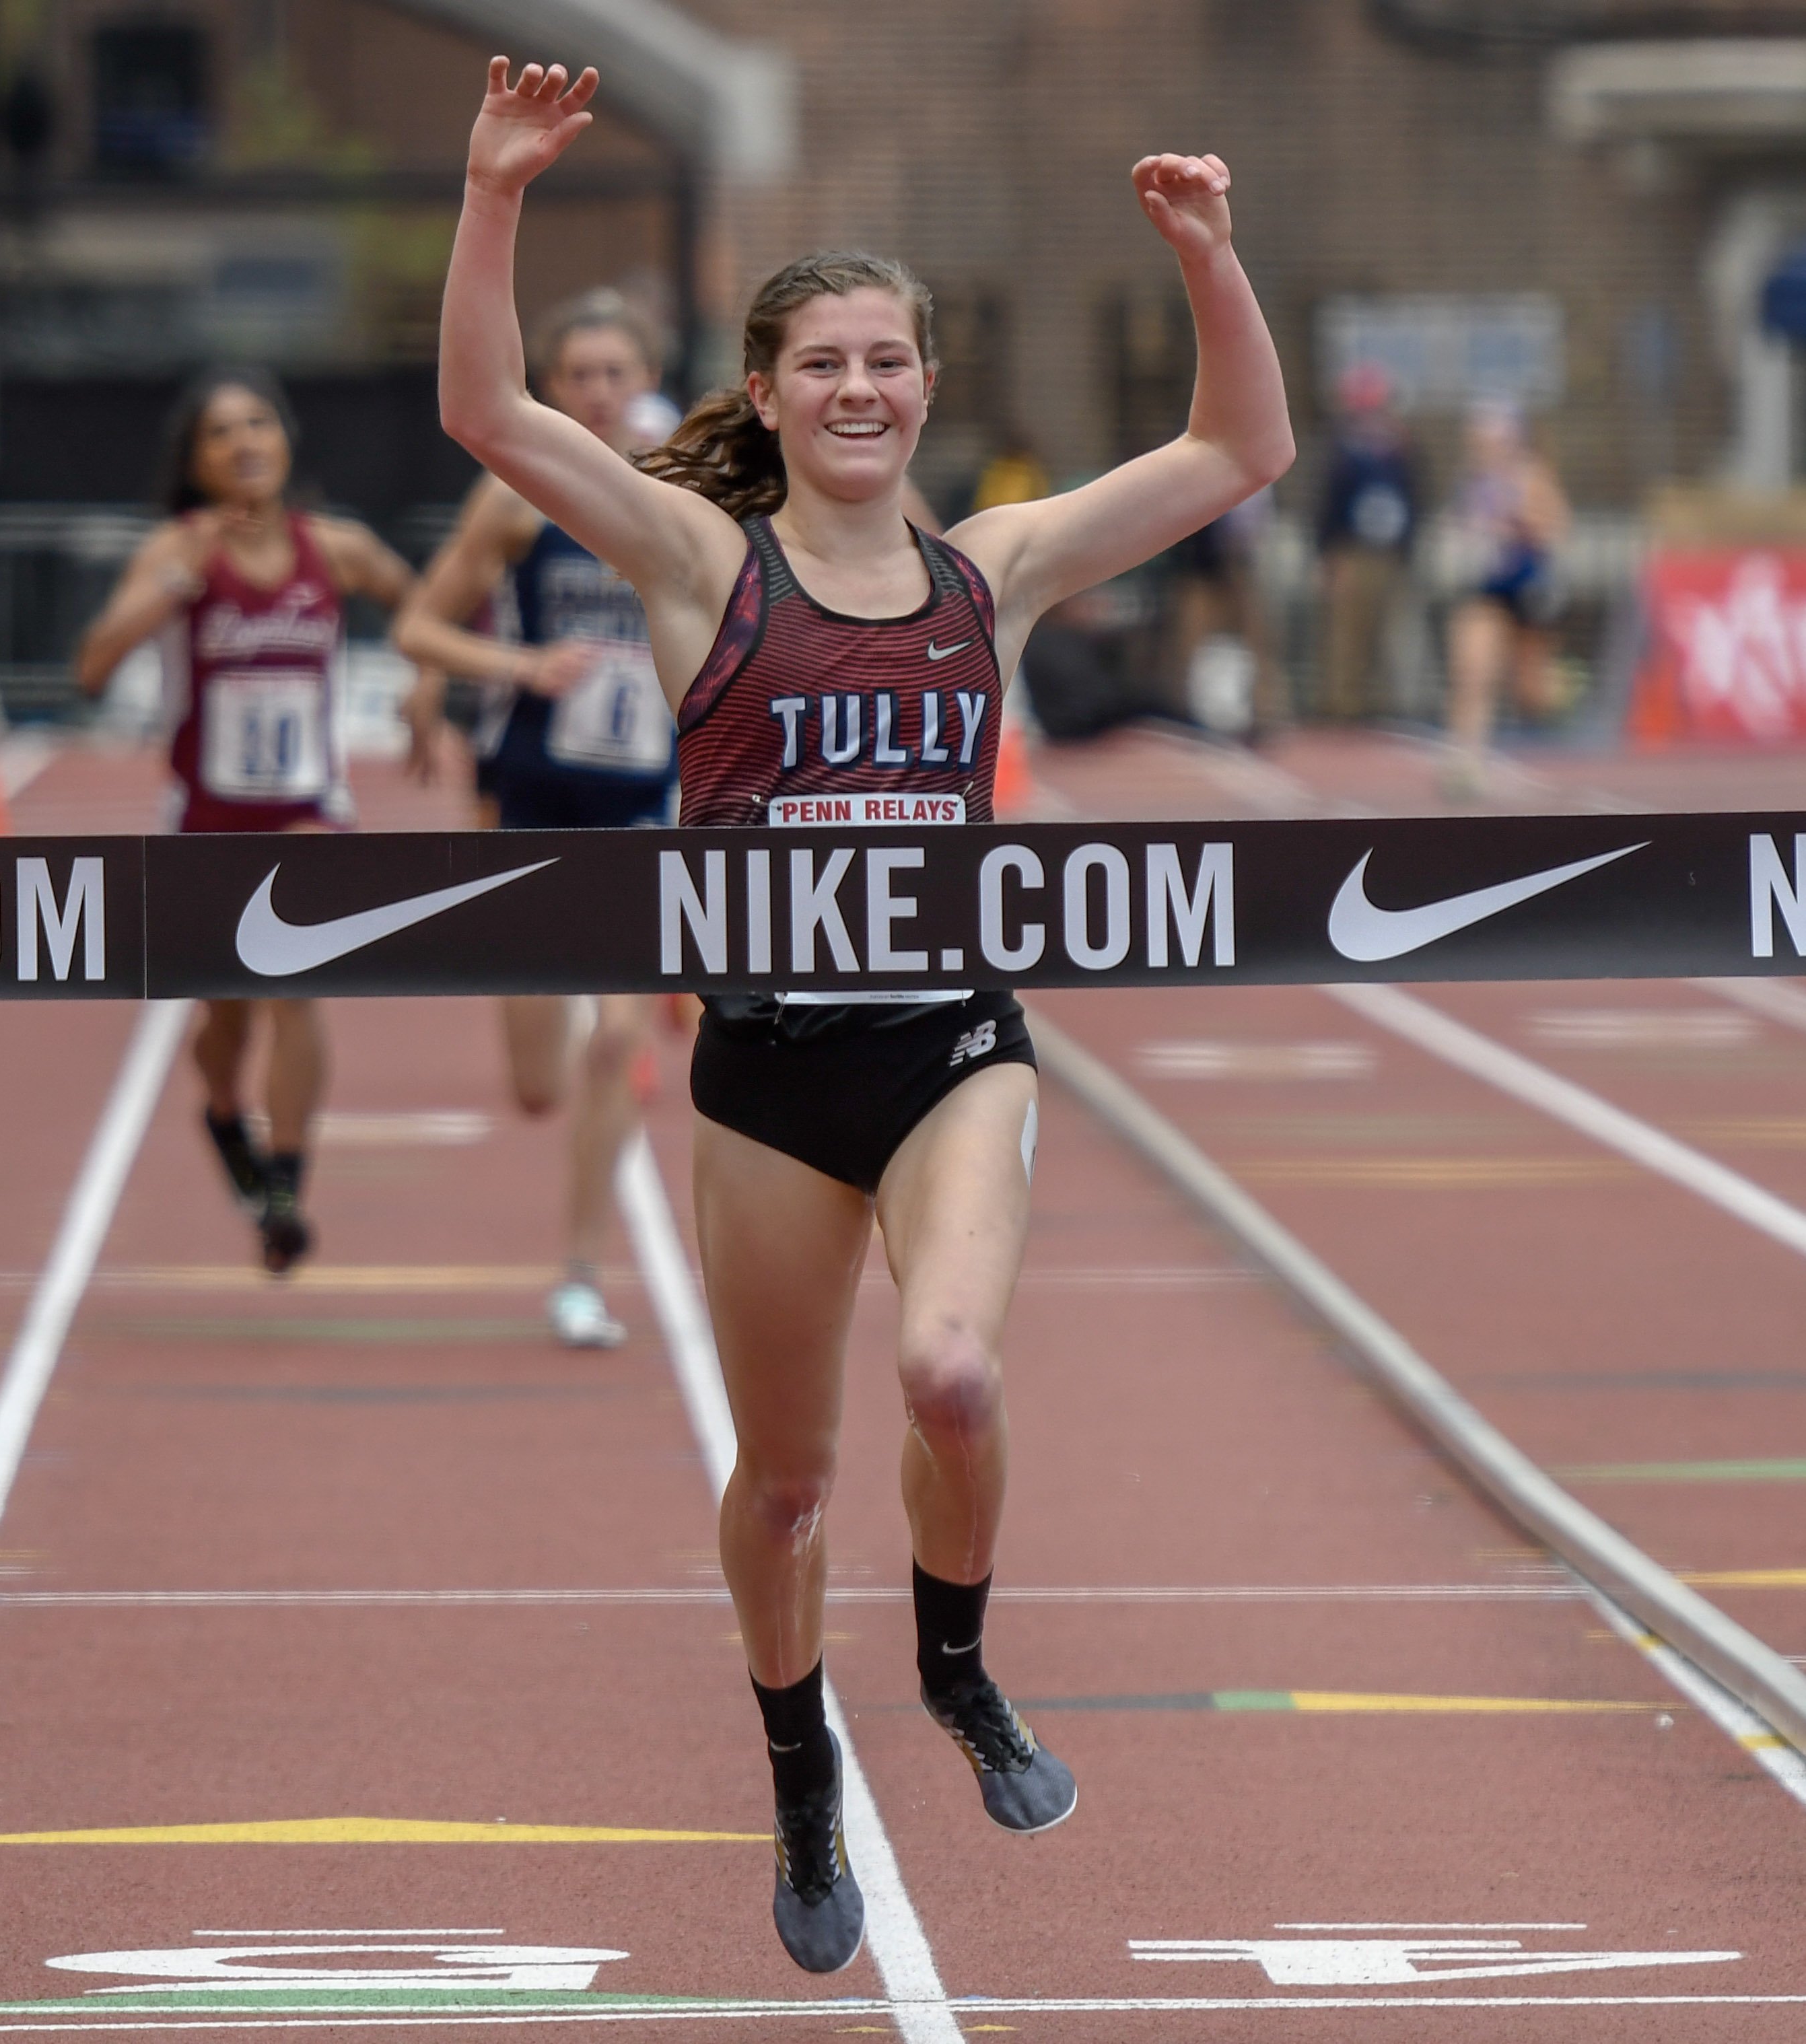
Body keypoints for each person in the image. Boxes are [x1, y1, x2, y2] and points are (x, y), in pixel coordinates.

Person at [438, 59, 1292, 1973]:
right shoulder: (697, 565)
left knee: (952, 1370)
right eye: (819, 362)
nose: (855, 388)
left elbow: (1239, 449)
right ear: (762, 392)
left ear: (923, 385)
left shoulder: (991, 569)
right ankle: (796, 1758)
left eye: (885, 361)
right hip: (764, 1073)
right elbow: (485, 410)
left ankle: (956, 1666)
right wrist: (495, 192)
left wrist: (1206, 254)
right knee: (787, 1477)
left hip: (945, 1045)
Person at [77, 368, 415, 1273]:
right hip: (207, 822)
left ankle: (285, 1185)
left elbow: (421, 605)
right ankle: (226, 1113)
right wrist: (168, 591)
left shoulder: (335, 548)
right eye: (221, 432)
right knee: (225, 1020)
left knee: (296, 982)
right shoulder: (177, 551)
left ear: (286, 440)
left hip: (309, 809)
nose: (244, 443)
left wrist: (428, 687)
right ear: (196, 460)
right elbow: (91, 668)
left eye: (258, 423)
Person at [393, 288, 681, 1349]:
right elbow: (418, 627)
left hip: (642, 806)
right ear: (550, 388)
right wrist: (520, 664)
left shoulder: (688, 499)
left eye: (617, 374)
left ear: (646, 381)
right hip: (531, 800)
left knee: (615, 1042)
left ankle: (579, 1275)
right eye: (579, 376)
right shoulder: (516, 499)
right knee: (532, 1086)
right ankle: (563, 1019)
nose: (599, 393)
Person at [1443, 398, 1570, 797]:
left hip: (1528, 592)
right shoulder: (1471, 482)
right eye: (1479, 441)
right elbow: (1461, 531)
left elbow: (1556, 527)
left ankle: (1552, 700)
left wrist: (1520, 522)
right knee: (1473, 673)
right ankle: (1466, 762)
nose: (1486, 449)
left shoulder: (1531, 476)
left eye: (1494, 441)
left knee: (1533, 694)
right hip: (1488, 590)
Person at [1314, 363, 1420, 722]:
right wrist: (1328, 555)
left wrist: (1407, 550)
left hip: (1388, 553)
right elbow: (1327, 505)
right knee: (1347, 632)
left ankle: (1386, 704)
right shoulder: (1342, 450)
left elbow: (1415, 498)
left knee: (1390, 630)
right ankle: (1344, 705)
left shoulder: (1401, 448)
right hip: (1352, 553)